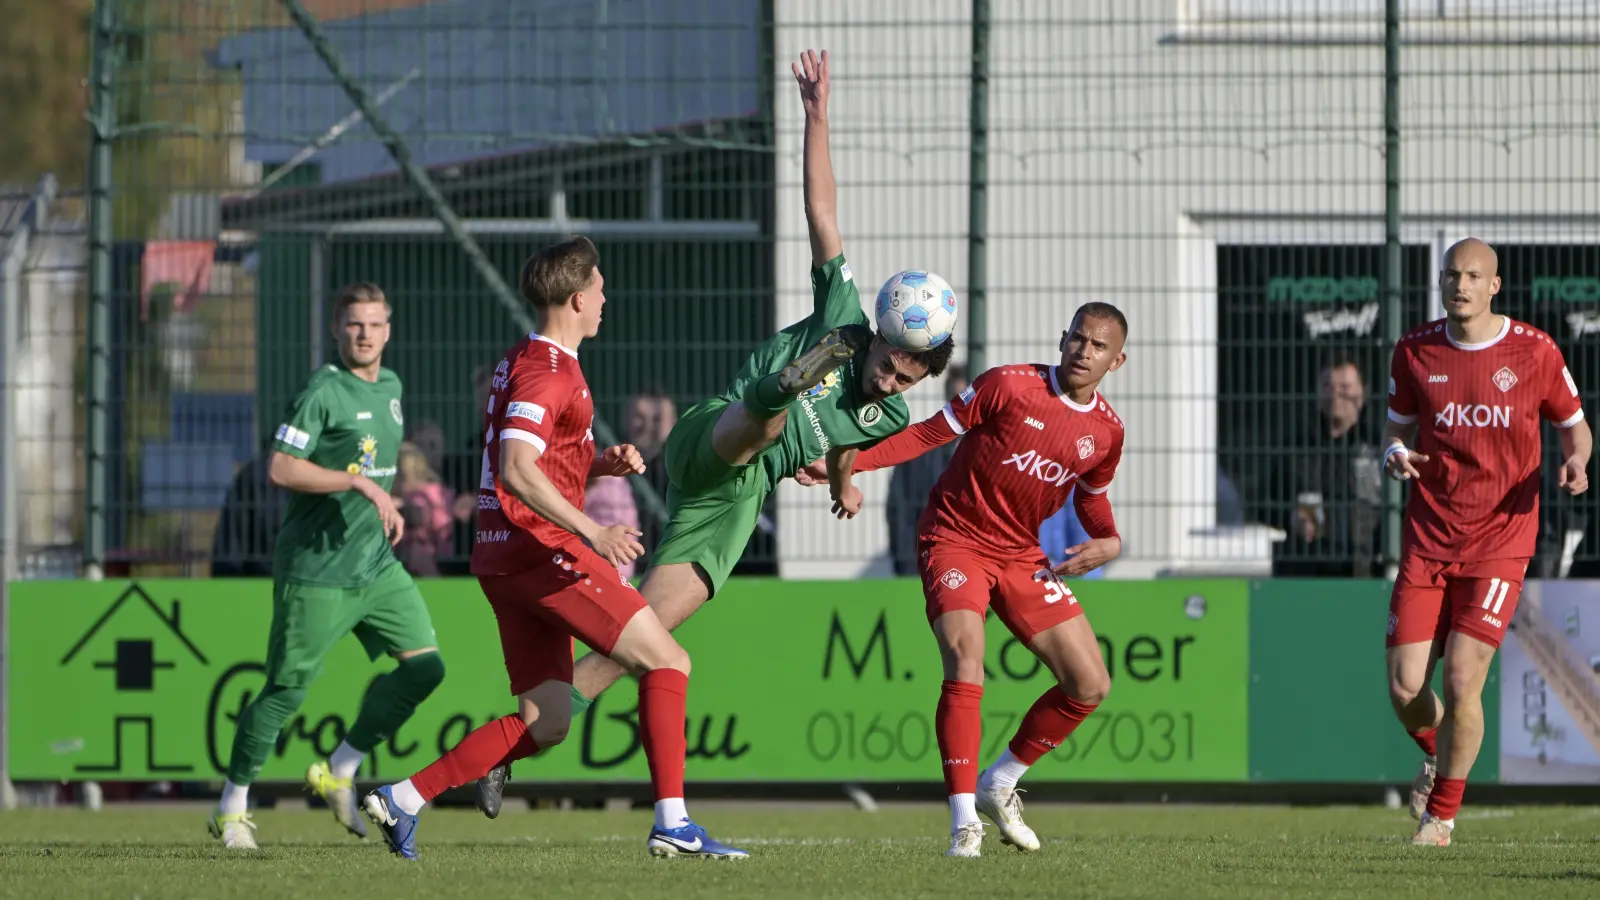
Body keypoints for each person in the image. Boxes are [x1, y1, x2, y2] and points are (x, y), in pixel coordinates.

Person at [469, 48, 954, 816]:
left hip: (735, 500)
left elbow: (849, 447)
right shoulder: (844, 323)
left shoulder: (892, 410)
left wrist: (842, 480)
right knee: (762, 420)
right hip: (715, 436)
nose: (892, 379)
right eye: (892, 360)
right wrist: (817, 115)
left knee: (647, 637)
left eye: (908, 377)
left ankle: (509, 750)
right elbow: (822, 214)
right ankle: (782, 388)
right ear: (884, 331)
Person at [360, 236, 746, 861]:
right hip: (544, 553)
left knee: (549, 723)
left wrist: (595, 465)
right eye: (598, 288)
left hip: (504, 557)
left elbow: (532, 462)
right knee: (669, 662)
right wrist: (594, 533)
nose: (604, 298)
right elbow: (515, 468)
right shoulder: (548, 372)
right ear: (575, 297)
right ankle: (672, 822)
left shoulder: (521, 361)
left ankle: (404, 798)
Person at [806, 302, 1128, 857]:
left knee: (1091, 684)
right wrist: (849, 465)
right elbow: (928, 434)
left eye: (1098, 346)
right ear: (1062, 340)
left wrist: (1111, 540)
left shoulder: (1106, 432)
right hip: (954, 536)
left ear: (1116, 361)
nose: (1084, 351)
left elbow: (1092, 499)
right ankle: (963, 823)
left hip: (1020, 555)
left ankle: (999, 782)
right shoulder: (1008, 384)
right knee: (966, 659)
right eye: (1077, 338)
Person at [208, 283, 446, 849]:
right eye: (353, 324)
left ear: (389, 329)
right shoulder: (323, 390)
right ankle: (231, 807)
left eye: (374, 323)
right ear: (336, 330)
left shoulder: (392, 385)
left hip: (376, 567)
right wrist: (358, 483)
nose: (364, 334)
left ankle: (340, 769)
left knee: (426, 669)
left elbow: (377, 470)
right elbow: (282, 468)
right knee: (286, 690)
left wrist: (386, 503)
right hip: (316, 569)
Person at [1384, 238, 1590, 846]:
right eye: (1452, 274)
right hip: (1427, 539)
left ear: (1494, 286)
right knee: (1404, 688)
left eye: (1474, 276)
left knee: (1463, 681)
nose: (1461, 285)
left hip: (1501, 540)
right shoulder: (1415, 351)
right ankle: (1436, 749)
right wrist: (1395, 454)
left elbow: (1576, 429)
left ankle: (1440, 816)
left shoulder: (1535, 351)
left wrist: (1578, 463)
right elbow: (1395, 430)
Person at [1271, 358, 1382, 578]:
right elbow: (1265, 502)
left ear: (1362, 392)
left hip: (1367, 572)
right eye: (1327, 386)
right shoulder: (1296, 446)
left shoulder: (1380, 446)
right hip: (1305, 573)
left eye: (1345, 387)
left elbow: (1406, 507)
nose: (1335, 394)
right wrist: (1291, 518)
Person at [887, 366, 969, 575]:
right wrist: (905, 563)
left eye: (966, 399)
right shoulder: (920, 450)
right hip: (925, 565)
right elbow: (899, 506)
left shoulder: (994, 450)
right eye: (954, 398)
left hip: (974, 565)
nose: (961, 406)